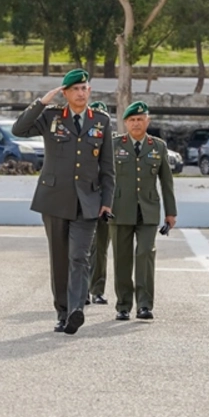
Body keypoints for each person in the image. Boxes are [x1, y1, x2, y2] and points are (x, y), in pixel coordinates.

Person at [13, 69, 116, 335]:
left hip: (88, 200)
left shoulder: (101, 120)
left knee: (79, 256)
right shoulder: (51, 116)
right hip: (54, 198)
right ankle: (62, 311)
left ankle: (75, 310)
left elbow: (108, 167)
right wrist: (42, 102)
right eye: (76, 89)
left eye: (85, 88)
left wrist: (107, 202)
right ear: (66, 93)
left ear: (89, 91)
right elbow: (19, 129)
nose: (81, 93)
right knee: (59, 259)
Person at [110, 101, 177, 320]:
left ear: (147, 121)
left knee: (145, 254)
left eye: (140, 119)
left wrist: (171, 212)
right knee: (122, 258)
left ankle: (145, 304)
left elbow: (167, 182)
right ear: (125, 123)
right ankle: (123, 305)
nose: (136, 123)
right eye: (132, 120)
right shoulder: (113, 145)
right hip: (119, 210)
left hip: (148, 210)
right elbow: (104, 178)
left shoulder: (158, 146)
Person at [87, 101, 112, 306]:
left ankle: (97, 290)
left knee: (101, 248)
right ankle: (82, 289)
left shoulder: (114, 145)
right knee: (82, 247)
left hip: (105, 203)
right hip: (85, 200)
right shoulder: (81, 144)